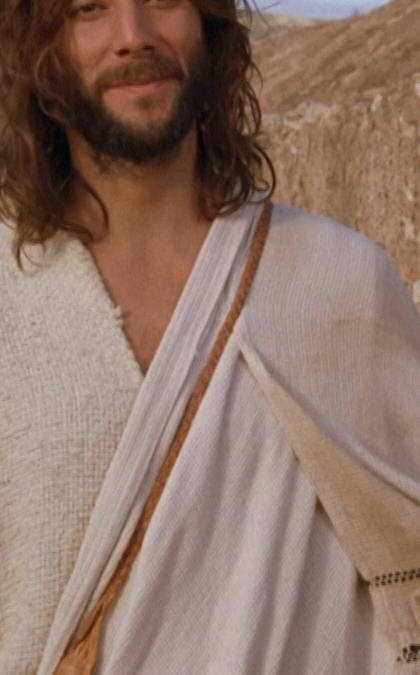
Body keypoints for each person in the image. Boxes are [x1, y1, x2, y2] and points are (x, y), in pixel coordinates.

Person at [1, 1, 420, 674]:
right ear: (37, 47)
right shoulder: (10, 303)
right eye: (89, 9)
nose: (133, 36)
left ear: (208, 22)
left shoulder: (338, 284)